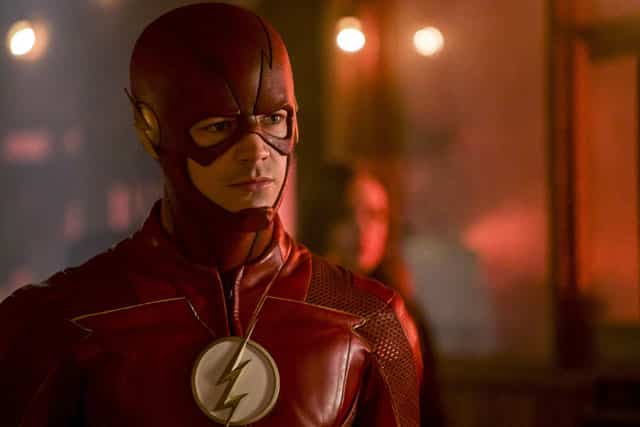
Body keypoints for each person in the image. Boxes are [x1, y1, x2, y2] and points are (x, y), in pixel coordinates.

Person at [0, 4, 422, 426]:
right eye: (218, 126)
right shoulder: (55, 323)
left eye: (273, 119)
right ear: (150, 129)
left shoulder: (370, 321)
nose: (255, 151)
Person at [303, 164, 446, 427]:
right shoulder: (297, 304)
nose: (362, 228)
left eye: (375, 215)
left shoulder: (403, 314)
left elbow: (429, 411)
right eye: (347, 214)